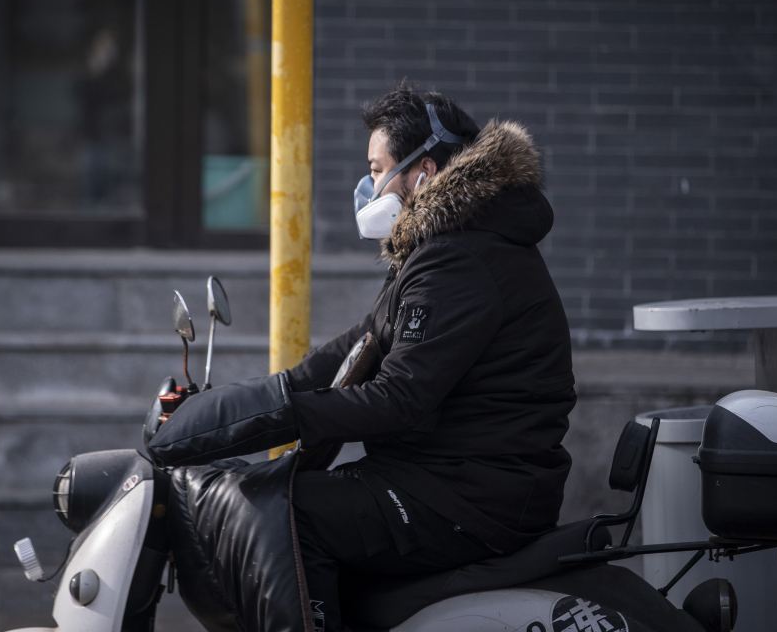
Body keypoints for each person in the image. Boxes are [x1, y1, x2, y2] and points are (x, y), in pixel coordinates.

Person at [148, 83, 575, 632]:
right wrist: (232, 406)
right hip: (450, 478)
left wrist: (281, 412)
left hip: (474, 495)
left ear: (424, 173)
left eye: (376, 169)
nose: (367, 186)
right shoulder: (445, 247)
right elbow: (352, 350)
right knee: (275, 491)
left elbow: (400, 398)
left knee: (291, 515)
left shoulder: (461, 259)